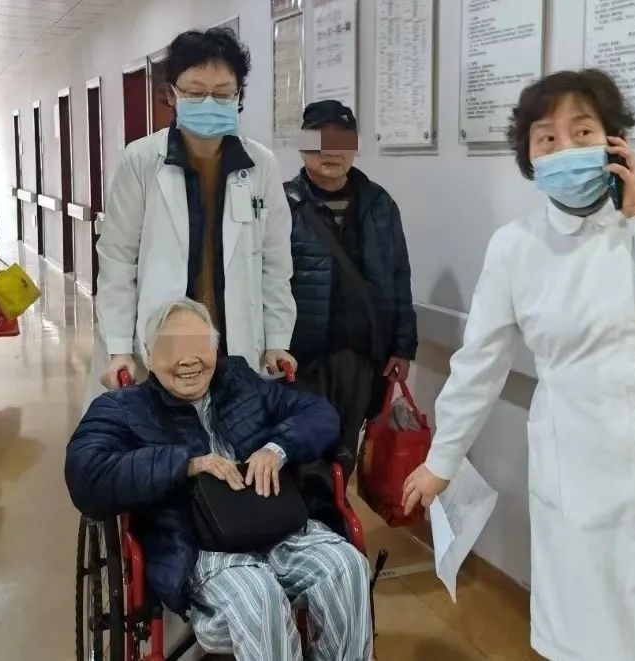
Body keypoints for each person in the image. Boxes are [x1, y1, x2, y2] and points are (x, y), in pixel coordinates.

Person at [402, 70, 635, 660]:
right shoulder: (516, 246)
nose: (565, 149)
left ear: (613, 141)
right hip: (581, 471)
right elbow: (480, 362)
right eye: (546, 139)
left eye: (582, 131)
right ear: (529, 158)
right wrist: (442, 459)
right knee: (601, 636)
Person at [66, 298, 373, 661]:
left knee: (347, 568)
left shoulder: (239, 380)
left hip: (277, 524)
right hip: (200, 549)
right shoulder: (124, 408)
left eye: (199, 347)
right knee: (260, 598)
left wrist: (277, 448)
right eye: (172, 350)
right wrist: (185, 464)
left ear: (215, 349)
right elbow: (85, 474)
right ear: (148, 354)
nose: (188, 361)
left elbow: (319, 414)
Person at [88, 27, 296, 404]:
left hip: (235, 344)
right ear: (171, 94)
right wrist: (118, 347)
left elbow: (276, 264)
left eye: (223, 94)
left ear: (239, 95)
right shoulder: (140, 161)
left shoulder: (261, 164)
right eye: (196, 93)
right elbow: (118, 260)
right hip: (162, 345)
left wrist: (277, 341)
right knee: (163, 437)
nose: (209, 103)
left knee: (232, 434)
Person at [284, 100, 417, 476]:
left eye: (341, 139)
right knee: (303, 453)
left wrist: (402, 346)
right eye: (319, 139)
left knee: (344, 452)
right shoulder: (283, 204)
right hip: (301, 359)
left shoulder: (379, 204)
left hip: (361, 358)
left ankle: (336, 512)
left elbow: (399, 276)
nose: (331, 150)